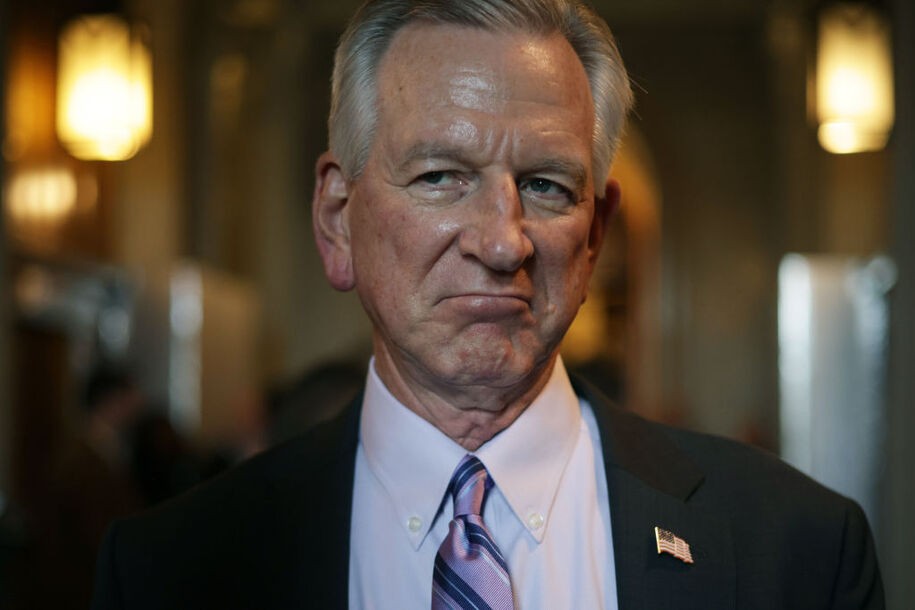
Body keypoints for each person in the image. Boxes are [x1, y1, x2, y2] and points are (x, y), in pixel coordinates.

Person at [91, 1, 884, 608]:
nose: (502, 242)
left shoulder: (795, 550)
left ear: (595, 234)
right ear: (337, 221)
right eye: (440, 177)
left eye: (545, 186)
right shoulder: (175, 568)